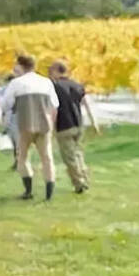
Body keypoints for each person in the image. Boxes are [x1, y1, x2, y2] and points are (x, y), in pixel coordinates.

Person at [2, 54, 59, 200]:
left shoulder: (16, 83)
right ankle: (49, 193)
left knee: (23, 157)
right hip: (44, 123)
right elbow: (55, 104)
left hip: (25, 123)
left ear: (20, 65)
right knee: (47, 158)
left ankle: (28, 191)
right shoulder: (46, 82)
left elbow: (6, 104)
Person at [49, 60, 90, 193]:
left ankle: (79, 183)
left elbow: (53, 107)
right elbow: (85, 102)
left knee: (69, 157)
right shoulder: (76, 85)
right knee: (78, 153)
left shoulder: (55, 87)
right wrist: (93, 121)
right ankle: (84, 177)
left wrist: (51, 126)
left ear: (56, 71)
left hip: (64, 125)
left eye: (51, 71)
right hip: (78, 123)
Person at [0, 65, 23, 170]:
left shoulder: (7, 89)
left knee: (15, 140)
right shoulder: (19, 87)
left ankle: (19, 161)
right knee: (18, 140)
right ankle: (19, 161)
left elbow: (4, 104)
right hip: (16, 116)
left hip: (13, 116)